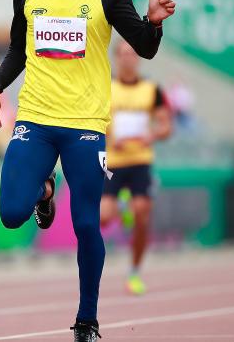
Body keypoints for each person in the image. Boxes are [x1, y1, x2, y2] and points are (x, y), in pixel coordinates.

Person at [0, 0, 175, 342]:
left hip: (85, 122)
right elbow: (18, 49)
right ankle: (44, 189)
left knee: (86, 224)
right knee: (12, 213)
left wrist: (153, 24)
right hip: (35, 115)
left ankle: (87, 319)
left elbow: (143, 47)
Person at [100, 40, 172, 296]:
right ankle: (121, 207)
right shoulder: (105, 89)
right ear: (116, 58)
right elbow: (93, 123)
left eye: (132, 53)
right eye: (123, 54)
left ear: (139, 58)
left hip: (141, 160)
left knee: (142, 214)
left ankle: (135, 271)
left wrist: (149, 137)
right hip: (114, 162)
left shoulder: (152, 90)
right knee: (103, 217)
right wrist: (110, 139)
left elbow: (165, 126)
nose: (128, 58)